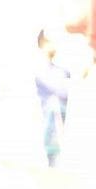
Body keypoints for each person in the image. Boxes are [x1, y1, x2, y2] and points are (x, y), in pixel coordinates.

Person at [35, 30, 71, 167]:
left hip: (61, 118)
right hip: (49, 119)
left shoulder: (62, 69)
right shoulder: (39, 69)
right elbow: (58, 90)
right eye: (50, 41)